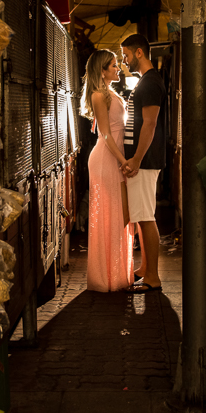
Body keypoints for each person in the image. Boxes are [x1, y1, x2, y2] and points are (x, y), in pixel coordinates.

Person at [81, 50, 134, 292]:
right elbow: (105, 134)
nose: (118, 68)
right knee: (109, 215)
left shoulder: (112, 93)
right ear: (102, 71)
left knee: (119, 214)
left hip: (115, 158)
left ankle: (118, 273)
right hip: (106, 159)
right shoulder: (98, 96)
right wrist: (123, 161)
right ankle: (105, 277)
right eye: (113, 65)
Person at [119, 34, 166, 294]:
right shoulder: (146, 81)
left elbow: (150, 123)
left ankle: (153, 277)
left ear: (139, 52)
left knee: (146, 218)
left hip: (145, 161)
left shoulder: (150, 83)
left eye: (126, 55)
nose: (124, 61)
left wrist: (136, 158)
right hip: (142, 160)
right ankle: (145, 269)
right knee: (142, 216)